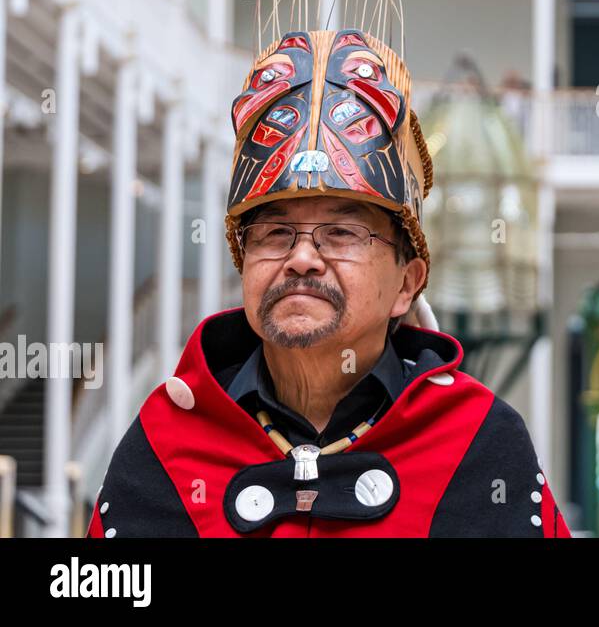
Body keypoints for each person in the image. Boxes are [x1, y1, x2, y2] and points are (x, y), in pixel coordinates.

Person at [87, 28, 568, 537]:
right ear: (243, 261)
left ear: (407, 284)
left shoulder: (477, 443)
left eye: (341, 233)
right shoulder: (168, 443)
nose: (301, 258)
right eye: (274, 233)